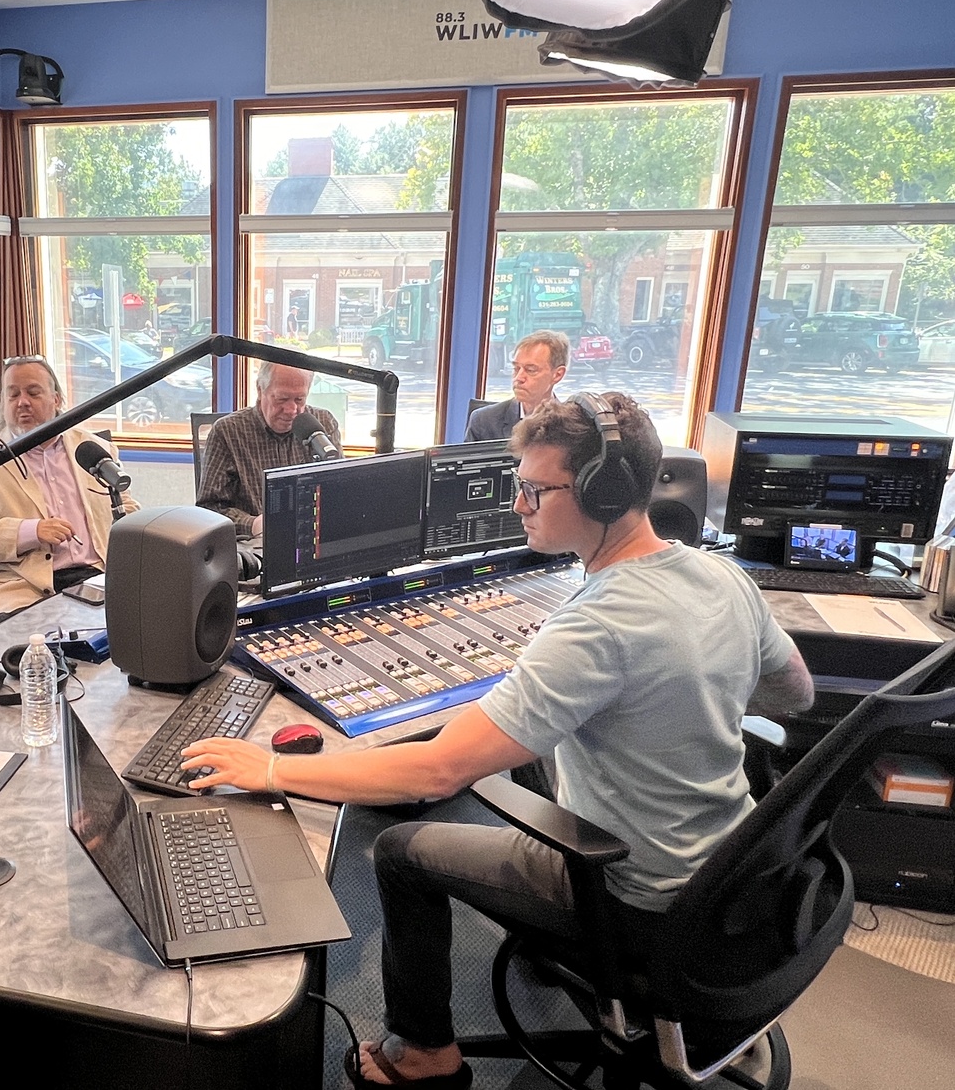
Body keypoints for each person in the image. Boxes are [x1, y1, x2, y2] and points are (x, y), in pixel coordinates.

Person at [184, 392, 814, 1089]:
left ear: (602, 491)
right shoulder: (721, 576)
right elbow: (796, 693)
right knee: (542, 751)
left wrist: (272, 767)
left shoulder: (594, 627)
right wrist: (697, 682)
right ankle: (553, 949)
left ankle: (424, 1053)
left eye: (536, 489)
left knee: (397, 850)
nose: (519, 504)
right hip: (731, 870)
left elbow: (436, 771)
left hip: (639, 897)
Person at [0, 355, 139, 629]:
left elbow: (125, 506)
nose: (22, 402)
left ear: (56, 400)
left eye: (33, 392)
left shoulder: (92, 448)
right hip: (22, 585)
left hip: (98, 575)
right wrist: (32, 531)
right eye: (13, 395)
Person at [196, 363, 342, 538]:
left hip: (312, 539)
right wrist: (253, 524)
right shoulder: (228, 431)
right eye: (282, 399)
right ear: (260, 390)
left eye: (299, 400)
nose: (291, 410)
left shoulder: (323, 423)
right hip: (256, 547)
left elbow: (340, 491)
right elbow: (208, 509)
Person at [464, 330, 570, 443]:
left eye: (531, 370)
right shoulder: (483, 421)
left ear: (557, 375)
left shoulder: (572, 426)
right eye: (516, 368)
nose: (518, 378)